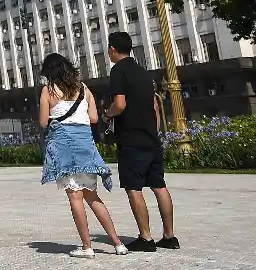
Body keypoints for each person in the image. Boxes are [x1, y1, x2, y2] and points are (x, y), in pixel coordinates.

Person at [39, 52, 128, 258]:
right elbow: (94, 118)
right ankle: (117, 243)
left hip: (63, 147)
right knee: (92, 196)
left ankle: (87, 247)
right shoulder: (84, 88)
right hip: (85, 146)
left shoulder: (48, 91)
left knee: (75, 198)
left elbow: (44, 122)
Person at [106, 31, 178, 252]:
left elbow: (120, 103)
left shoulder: (118, 71)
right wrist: (153, 132)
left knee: (134, 187)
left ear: (112, 50)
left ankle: (145, 238)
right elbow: (155, 107)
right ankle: (169, 235)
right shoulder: (143, 72)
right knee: (159, 185)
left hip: (131, 140)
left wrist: (108, 114)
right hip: (151, 139)